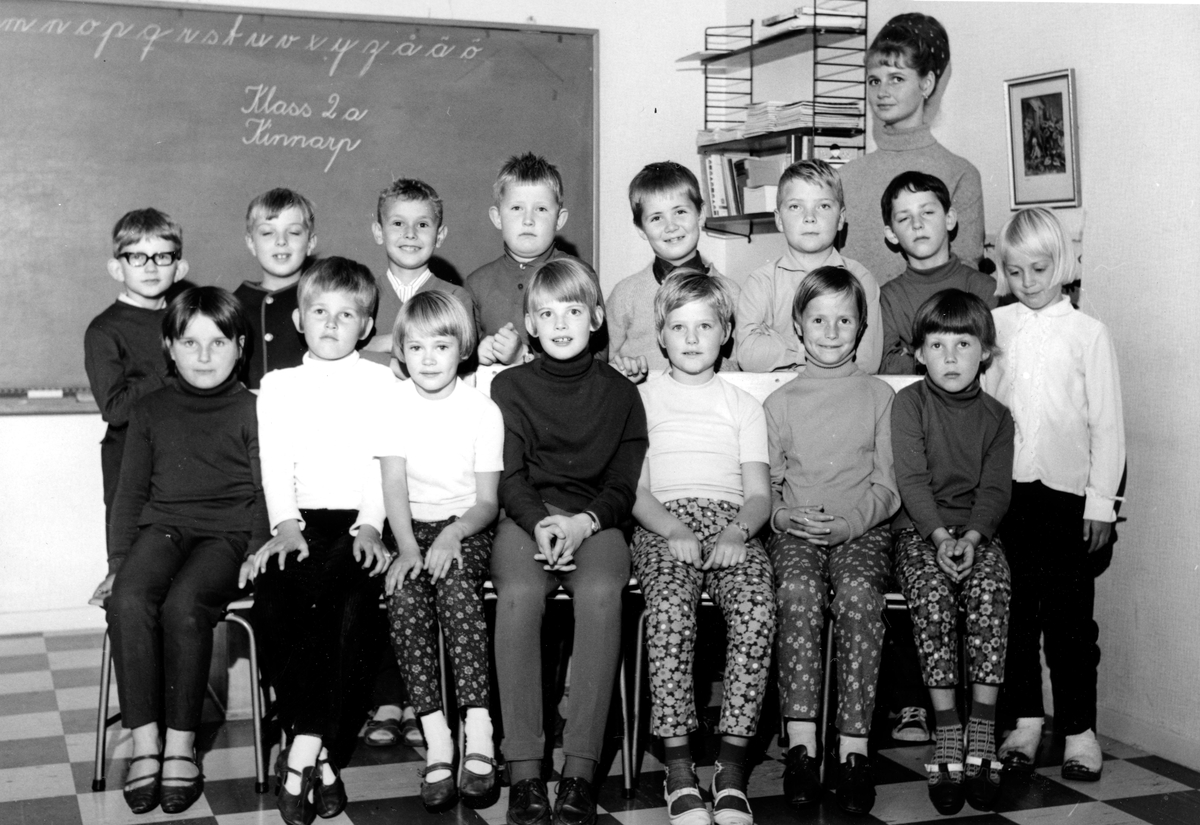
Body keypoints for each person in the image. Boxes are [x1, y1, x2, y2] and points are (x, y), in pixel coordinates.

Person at [489, 259, 647, 825]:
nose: (560, 324)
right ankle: (524, 772)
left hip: (595, 522)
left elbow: (623, 484)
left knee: (602, 594)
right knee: (519, 598)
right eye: (547, 313)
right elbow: (509, 477)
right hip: (526, 518)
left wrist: (583, 523)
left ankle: (580, 770)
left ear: (596, 318)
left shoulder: (621, 392)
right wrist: (539, 522)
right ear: (530, 323)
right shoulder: (508, 387)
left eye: (574, 310)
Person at [103, 286, 267, 815]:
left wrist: (257, 548)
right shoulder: (150, 409)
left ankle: (180, 744)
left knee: (184, 605)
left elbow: (266, 490)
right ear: (169, 348)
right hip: (165, 529)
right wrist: (117, 565)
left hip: (227, 536)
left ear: (240, 346)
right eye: (190, 342)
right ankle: (145, 742)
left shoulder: (254, 409)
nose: (203, 355)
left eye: (218, 342)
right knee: (128, 597)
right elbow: (130, 494)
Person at [250, 257, 396, 825]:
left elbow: (385, 463)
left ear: (366, 327)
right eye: (319, 312)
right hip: (300, 523)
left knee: (350, 603)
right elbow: (275, 464)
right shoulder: (278, 385)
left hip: (360, 521)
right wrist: (286, 525)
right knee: (274, 598)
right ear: (298, 320)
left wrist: (371, 525)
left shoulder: (382, 381)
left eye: (346, 315)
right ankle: (323, 758)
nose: (331, 324)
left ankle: (302, 752)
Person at [983, 208, 1125, 782]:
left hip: (1068, 499)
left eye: (1039, 269)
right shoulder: (997, 326)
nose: (1028, 282)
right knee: (1014, 617)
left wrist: (1101, 503)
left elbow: (1107, 425)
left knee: (1070, 624)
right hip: (1008, 497)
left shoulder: (1089, 334)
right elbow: (984, 411)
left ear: (1062, 264)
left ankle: (1079, 730)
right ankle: (1025, 722)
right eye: (1015, 271)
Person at [631, 271, 775, 825]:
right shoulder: (641, 400)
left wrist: (739, 531)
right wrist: (672, 528)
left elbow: (758, 494)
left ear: (726, 333)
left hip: (731, 522)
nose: (691, 339)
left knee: (757, 606)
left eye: (705, 326)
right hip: (662, 521)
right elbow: (636, 491)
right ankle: (679, 768)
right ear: (661, 335)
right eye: (678, 327)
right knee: (669, 608)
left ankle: (731, 769)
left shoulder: (743, 405)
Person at [765, 266, 898, 816]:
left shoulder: (879, 396)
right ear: (798, 325)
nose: (831, 331)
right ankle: (802, 746)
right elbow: (767, 488)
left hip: (860, 531)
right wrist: (782, 518)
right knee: (796, 591)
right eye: (818, 319)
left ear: (861, 326)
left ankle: (853, 750)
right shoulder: (780, 402)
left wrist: (850, 526)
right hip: (796, 533)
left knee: (860, 596)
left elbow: (888, 487)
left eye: (844, 320)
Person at [375, 291, 504, 811]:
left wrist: (454, 534)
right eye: (416, 347)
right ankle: (437, 738)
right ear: (402, 352)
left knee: (455, 587)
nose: (428, 359)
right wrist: (406, 548)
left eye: (442, 346)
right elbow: (393, 487)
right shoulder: (393, 406)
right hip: (410, 527)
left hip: (466, 526)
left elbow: (488, 502)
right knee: (405, 596)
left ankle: (479, 729)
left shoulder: (482, 410)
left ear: (463, 348)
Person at [891, 289, 1014, 814]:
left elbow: (995, 490)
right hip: (921, 533)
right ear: (919, 353)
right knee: (932, 595)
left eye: (963, 344)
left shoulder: (998, 417)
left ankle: (981, 728)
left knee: (990, 590)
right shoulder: (909, 404)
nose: (950, 357)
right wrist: (941, 538)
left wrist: (973, 538)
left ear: (984, 351)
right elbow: (912, 481)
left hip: (979, 533)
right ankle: (947, 729)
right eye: (937, 345)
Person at [839, 12, 985, 284]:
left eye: (896, 78)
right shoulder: (845, 177)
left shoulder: (960, 173)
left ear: (926, 84)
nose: (882, 91)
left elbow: (967, 276)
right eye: (874, 81)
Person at [85, 208, 188, 577]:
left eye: (162, 256)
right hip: (131, 462)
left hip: (184, 456)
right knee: (134, 571)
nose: (150, 267)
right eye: (137, 257)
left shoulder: (189, 321)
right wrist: (172, 367)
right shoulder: (104, 330)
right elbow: (115, 409)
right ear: (117, 268)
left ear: (180, 267)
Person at [735, 160, 882, 374]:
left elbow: (867, 362)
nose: (810, 218)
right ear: (779, 219)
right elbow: (748, 356)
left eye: (823, 206)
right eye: (796, 207)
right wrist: (820, 350)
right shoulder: (761, 282)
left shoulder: (860, 278)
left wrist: (779, 346)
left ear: (841, 218)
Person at [465, 152, 602, 366]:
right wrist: (477, 355)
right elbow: (459, 356)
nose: (528, 220)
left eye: (541, 209)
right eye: (517, 208)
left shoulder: (580, 275)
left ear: (559, 219)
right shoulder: (477, 284)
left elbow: (600, 357)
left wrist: (524, 356)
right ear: (497, 217)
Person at [606, 161, 738, 381]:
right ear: (641, 229)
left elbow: (742, 368)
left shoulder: (731, 292)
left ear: (700, 214)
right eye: (657, 218)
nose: (671, 226)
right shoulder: (625, 294)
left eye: (680, 212)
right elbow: (601, 364)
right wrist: (621, 373)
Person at [878, 172, 997, 375]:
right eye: (904, 218)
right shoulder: (887, 298)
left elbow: (994, 360)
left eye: (927, 212)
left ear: (949, 219)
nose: (917, 224)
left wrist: (916, 357)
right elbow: (889, 364)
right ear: (891, 234)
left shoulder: (984, 287)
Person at [362, 178, 478, 369]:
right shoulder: (362, 295)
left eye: (422, 225)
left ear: (439, 236)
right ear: (379, 232)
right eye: (398, 223)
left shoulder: (456, 297)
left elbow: (462, 363)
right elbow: (343, 354)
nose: (410, 233)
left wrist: (383, 345)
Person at [234, 188, 316, 389]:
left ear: (310, 243)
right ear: (251, 243)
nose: (281, 241)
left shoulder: (323, 302)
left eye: (294, 232)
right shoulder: (231, 306)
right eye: (268, 233)